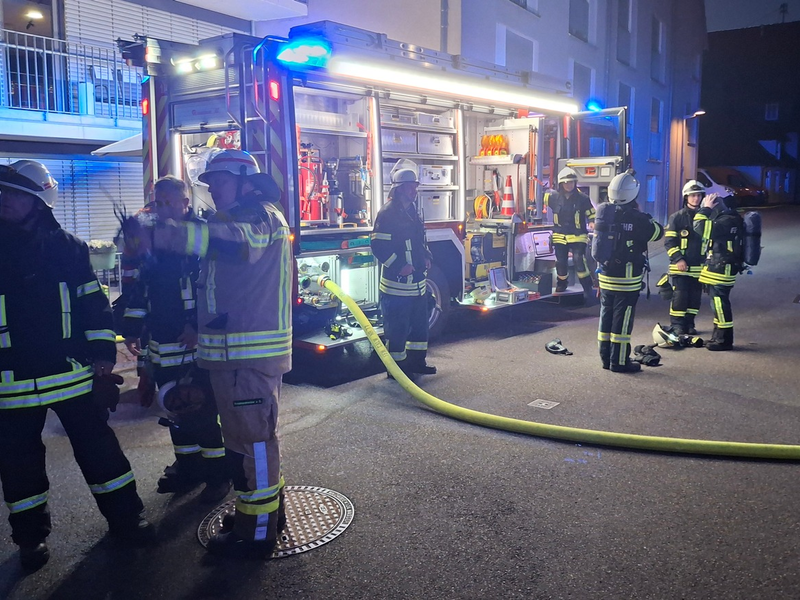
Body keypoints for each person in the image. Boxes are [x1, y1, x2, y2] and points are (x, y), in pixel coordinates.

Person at [125, 149, 292, 557]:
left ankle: (258, 532)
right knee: (240, 443)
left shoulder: (258, 216)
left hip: (248, 358)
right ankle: (258, 513)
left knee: (254, 444)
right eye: (209, 183)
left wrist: (166, 233)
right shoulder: (235, 217)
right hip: (228, 358)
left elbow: (233, 242)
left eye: (217, 181)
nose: (211, 189)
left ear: (244, 180)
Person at [0, 160, 154, 571]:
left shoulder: (68, 248)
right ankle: (30, 540)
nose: (4, 200)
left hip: (71, 376)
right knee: (18, 466)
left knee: (101, 454)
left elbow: (94, 305)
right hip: (10, 382)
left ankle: (127, 519)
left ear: (37, 203)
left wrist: (104, 355)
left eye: (14, 195)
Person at [122, 176, 230, 503]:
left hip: (194, 345)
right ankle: (189, 468)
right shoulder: (152, 239)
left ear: (186, 202)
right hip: (162, 343)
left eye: (171, 202)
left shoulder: (202, 237)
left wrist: (199, 327)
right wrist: (133, 331)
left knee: (201, 409)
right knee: (176, 412)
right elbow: (141, 288)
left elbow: (217, 290)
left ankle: (217, 475)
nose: (164, 208)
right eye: (159, 202)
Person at [592, 170, 664, 373]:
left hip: (605, 275)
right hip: (627, 278)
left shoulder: (604, 212)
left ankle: (606, 359)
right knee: (622, 321)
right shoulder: (637, 218)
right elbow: (658, 232)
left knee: (606, 315)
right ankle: (620, 361)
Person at [371, 165, 436, 377]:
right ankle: (396, 371)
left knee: (419, 328)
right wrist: (400, 266)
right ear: (398, 189)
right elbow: (378, 246)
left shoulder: (411, 211)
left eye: (415, 187)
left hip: (416, 284)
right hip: (397, 286)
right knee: (397, 330)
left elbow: (418, 241)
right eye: (410, 187)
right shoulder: (388, 213)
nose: (414, 191)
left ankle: (417, 363)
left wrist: (426, 256)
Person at [693, 192, 743, 351]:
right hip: (720, 267)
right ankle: (717, 337)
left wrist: (705, 209)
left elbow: (699, 226)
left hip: (721, 269)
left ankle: (724, 340)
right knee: (717, 305)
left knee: (720, 305)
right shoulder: (729, 219)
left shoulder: (726, 221)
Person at [663, 180, 706, 334]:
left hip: (699, 267)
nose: (695, 198)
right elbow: (669, 242)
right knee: (680, 297)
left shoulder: (707, 216)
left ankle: (689, 324)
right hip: (680, 266)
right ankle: (677, 325)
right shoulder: (677, 217)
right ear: (686, 197)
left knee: (695, 298)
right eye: (692, 195)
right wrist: (678, 259)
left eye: (698, 195)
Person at [545, 167, 596, 297]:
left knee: (579, 259)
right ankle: (562, 283)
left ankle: (587, 286)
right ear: (561, 183)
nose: (569, 185)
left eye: (572, 182)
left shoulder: (583, 198)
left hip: (578, 234)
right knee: (560, 261)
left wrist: (592, 221)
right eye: (566, 182)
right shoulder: (552, 197)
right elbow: (538, 200)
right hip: (559, 234)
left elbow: (591, 213)